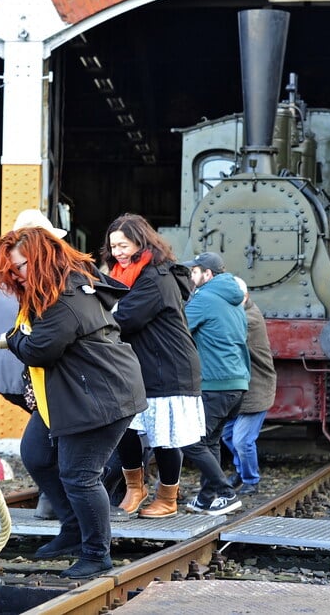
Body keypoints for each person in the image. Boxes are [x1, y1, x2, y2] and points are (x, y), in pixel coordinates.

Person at [0, 226, 147, 580]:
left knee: (80, 475)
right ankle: (74, 529)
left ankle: (97, 553)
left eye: (23, 265)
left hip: (100, 396)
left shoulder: (66, 294)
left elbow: (38, 350)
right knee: (36, 454)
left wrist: (13, 337)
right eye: (14, 268)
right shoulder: (57, 288)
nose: (19, 274)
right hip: (72, 394)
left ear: (43, 257)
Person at [101, 213, 205, 519]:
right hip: (140, 365)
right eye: (113, 246)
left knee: (164, 435)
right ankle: (136, 487)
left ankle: (167, 498)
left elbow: (123, 319)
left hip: (168, 365)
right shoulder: (124, 274)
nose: (117, 251)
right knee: (126, 428)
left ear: (140, 242)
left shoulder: (156, 277)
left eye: (123, 245)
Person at [0, 208, 68, 520]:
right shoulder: (38, 280)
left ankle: (56, 501)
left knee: (48, 438)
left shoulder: (1, 278)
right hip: (32, 377)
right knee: (58, 438)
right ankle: (57, 502)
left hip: (2, 377)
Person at [180, 252, 249, 516]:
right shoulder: (234, 301)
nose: (192, 277)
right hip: (236, 382)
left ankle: (226, 493)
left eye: (195, 272)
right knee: (210, 441)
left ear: (207, 274)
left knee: (191, 441)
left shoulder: (205, 298)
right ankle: (207, 498)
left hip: (215, 382)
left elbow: (178, 329)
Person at [223, 277, 277, 496]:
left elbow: (224, 335)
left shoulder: (249, 319)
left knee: (242, 440)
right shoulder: (240, 311)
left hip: (256, 389)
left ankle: (250, 480)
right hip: (241, 389)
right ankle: (240, 470)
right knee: (227, 434)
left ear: (243, 298)